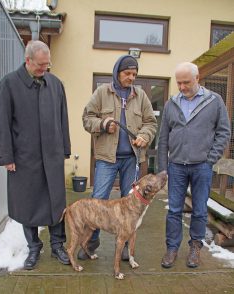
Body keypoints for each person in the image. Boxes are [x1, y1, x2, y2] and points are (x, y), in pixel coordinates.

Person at [0, 40, 71, 270]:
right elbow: (2, 124)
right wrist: (6, 157)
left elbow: (62, 118)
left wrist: (65, 148)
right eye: (40, 65)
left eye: (47, 65)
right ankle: (34, 247)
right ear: (28, 60)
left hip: (52, 155)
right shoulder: (8, 85)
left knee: (56, 203)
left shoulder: (56, 84)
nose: (44, 69)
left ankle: (58, 245)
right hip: (24, 158)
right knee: (28, 204)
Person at [80, 55, 157, 260]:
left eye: (134, 74)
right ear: (117, 72)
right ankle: (91, 242)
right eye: (127, 73)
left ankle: (125, 247)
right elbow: (87, 118)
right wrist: (103, 125)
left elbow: (151, 122)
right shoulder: (102, 92)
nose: (131, 77)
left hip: (132, 159)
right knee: (98, 201)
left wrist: (144, 135)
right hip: (107, 158)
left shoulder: (140, 96)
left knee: (132, 204)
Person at [158, 62, 230, 269]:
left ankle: (195, 248)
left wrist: (210, 159)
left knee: (199, 210)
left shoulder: (214, 101)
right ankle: (171, 249)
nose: (181, 87)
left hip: (201, 167)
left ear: (197, 78)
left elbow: (224, 131)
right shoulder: (171, 104)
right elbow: (163, 138)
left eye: (186, 82)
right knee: (173, 210)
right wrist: (163, 167)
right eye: (178, 83)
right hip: (177, 166)